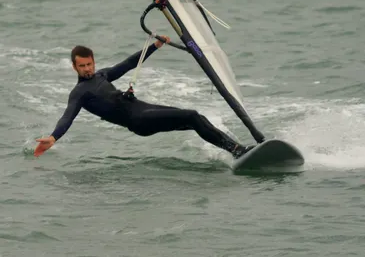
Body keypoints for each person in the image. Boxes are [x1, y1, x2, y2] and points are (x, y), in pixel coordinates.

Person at [34, 36, 255, 159]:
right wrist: (53, 138)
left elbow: (129, 63)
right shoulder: (79, 94)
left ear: (94, 61)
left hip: (142, 110)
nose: (87, 69)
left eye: (89, 64)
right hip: (138, 119)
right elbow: (67, 117)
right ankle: (237, 151)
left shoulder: (102, 75)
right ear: (74, 67)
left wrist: (155, 46)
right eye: (82, 66)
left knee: (195, 120)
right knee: (193, 115)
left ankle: (236, 149)